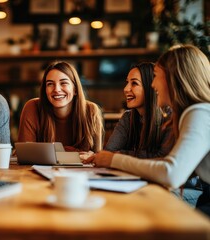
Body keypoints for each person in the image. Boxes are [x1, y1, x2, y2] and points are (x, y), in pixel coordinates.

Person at [84, 45, 210, 216]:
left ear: (174, 78)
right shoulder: (195, 113)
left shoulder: (199, 113)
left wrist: (114, 159)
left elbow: (171, 173)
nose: (153, 84)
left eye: (156, 76)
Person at [17, 61, 103, 153]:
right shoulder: (32, 107)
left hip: (81, 168)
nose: (57, 89)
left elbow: (97, 158)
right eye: (50, 84)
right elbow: (25, 153)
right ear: (45, 90)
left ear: (75, 89)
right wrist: (73, 151)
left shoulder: (91, 110)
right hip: (38, 168)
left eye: (63, 83)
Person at [105, 62, 173, 158]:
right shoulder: (128, 118)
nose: (126, 89)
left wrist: (123, 154)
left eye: (134, 83)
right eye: (127, 82)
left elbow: (162, 158)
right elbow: (108, 153)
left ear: (152, 87)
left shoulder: (169, 119)